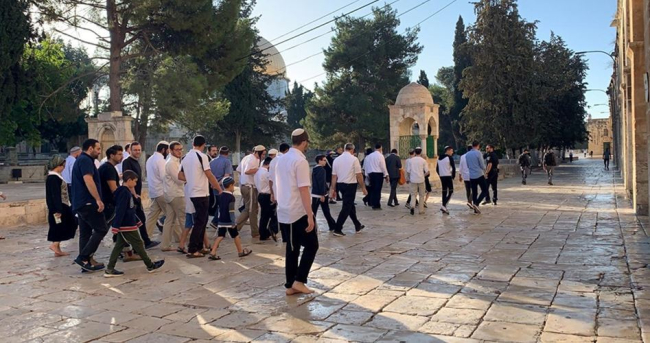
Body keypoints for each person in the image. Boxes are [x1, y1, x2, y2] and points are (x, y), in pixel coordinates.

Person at [275, 129, 318, 295]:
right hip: (296, 211)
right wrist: (310, 214)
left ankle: (290, 284)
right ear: (305, 142)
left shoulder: (281, 159)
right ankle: (298, 280)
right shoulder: (300, 162)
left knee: (292, 247)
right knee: (311, 245)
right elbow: (303, 189)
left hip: (284, 209)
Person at [104, 170, 165, 277]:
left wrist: (137, 221)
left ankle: (110, 269)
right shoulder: (123, 192)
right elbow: (121, 210)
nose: (136, 184)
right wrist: (116, 226)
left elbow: (130, 209)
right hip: (126, 225)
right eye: (135, 182)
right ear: (129, 180)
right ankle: (150, 265)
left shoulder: (126, 192)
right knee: (139, 244)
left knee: (119, 246)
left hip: (128, 223)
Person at [179, 135, 223, 258]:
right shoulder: (202, 156)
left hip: (192, 192)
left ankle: (199, 247)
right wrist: (219, 189)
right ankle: (192, 249)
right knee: (199, 222)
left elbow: (180, 175)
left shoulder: (185, 157)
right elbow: (209, 174)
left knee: (202, 221)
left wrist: (192, 180)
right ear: (203, 145)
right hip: (201, 193)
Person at [71, 139, 109, 272]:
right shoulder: (86, 160)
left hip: (80, 202)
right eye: (98, 149)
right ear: (90, 148)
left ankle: (86, 263)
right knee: (101, 229)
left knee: (85, 233)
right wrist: (98, 199)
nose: (99, 152)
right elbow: (88, 180)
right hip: (88, 202)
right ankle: (83, 257)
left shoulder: (82, 160)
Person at [121, 142, 158, 249]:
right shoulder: (127, 162)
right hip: (132, 196)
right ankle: (143, 242)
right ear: (130, 150)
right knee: (138, 220)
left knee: (140, 219)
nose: (137, 152)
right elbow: (128, 180)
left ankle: (145, 242)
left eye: (139, 150)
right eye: (135, 150)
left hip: (136, 195)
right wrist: (134, 195)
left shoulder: (136, 162)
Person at [208, 176, 253, 261]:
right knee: (236, 235)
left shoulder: (220, 195)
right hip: (229, 220)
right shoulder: (231, 197)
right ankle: (240, 251)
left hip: (221, 220)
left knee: (220, 236)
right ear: (231, 185)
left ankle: (213, 251)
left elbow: (219, 209)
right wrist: (233, 222)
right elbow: (231, 210)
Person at [330, 143, 368, 236]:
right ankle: (338, 228)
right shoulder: (354, 159)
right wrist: (363, 187)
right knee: (346, 207)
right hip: (350, 185)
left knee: (350, 205)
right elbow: (359, 175)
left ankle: (357, 225)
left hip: (340, 185)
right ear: (352, 150)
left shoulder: (337, 160)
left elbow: (334, 176)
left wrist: (333, 188)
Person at [46, 155, 76, 257]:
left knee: (59, 226)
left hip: (62, 205)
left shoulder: (55, 177)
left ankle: (57, 248)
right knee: (64, 225)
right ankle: (55, 244)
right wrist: (58, 209)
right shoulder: (53, 178)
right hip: (60, 206)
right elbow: (55, 195)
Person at [236, 145, 266, 238]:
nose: (264, 156)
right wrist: (258, 170)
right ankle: (253, 231)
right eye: (263, 154)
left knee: (251, 209)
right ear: (258, 152)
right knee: (251, 210)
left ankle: (237, 228)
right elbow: (247, 171)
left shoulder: (246, 158)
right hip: (250, 187)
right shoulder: (252, 159)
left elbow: (238, 170)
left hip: (245, 186)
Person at [161, 141, 185, 252]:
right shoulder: (171, 163)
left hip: (171, 194)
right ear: (171, 150)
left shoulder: (173, 161)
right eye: (177, 149)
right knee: (183, 220)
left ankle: (165, 245)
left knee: (169, 221)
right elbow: (179, 180)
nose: (179, 151)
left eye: (181, 149)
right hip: (176, 194)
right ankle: (188, 244)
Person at [145, 141, 169, 237]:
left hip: (153, 191)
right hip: (161, 192)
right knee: (171, 215)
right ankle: (179, 237)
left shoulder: (150, 159)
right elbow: (164, 177)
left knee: (152, 216)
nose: (168, 152)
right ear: (163, 150)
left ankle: (145, 237)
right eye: (167, 150)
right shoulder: (161, 161)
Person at [268, 143, 290, 242]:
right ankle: (278, 230)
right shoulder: (287, 159)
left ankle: (277, 230)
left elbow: (270, 179)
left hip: (277, 191)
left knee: (281, 212)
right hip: (286, 191)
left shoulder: (273, 161)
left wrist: (272, 193)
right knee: (287, 214)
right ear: (287, 150)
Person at [209, 146, 234, 230]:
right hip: (223, 187)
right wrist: (217, 184)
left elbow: (208, 175)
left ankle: (217, 221)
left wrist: (213, 184)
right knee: (223, 205)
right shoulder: (227, 162)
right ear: (228, 153)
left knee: (219, 204)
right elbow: (226, 176)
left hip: (214, 187)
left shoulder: (212, 161)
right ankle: (216, 221)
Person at [312, 155, 337, 231]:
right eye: (324, 160)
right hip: (320, 194)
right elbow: (321, 182)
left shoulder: (315, 169)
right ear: (319, 161)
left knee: (317, 211)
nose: (325, 162)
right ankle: (331, 225)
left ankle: (332, 224)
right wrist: (322, 194)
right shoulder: (321, 170)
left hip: (315, 193)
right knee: (324, 211)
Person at [255, 157, 278, 241]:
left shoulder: (257, 172)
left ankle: (263, 234)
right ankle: (271, 229)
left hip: (261, 195)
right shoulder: (266, 173)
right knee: (274, 215)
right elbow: (271, 183)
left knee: (264, 216)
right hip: (267, 196)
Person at [363, 144, 389, 210]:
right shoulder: (380, 156)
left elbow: (366, 166)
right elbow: (383, 166)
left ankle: (372, 202)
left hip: (371, 174)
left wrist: (367, 175)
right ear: (380, 148)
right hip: (378, 174)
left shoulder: (369, 156)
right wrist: (386, 175)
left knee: (372, 189)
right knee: (377, 190)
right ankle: (376, 205)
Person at [466, 141, 488, 214]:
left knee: (474, 192)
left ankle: (475, 208)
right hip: (479, 174)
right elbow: (482, 164)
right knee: (485, 190)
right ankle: (477, 203)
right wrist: (485, 171)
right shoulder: (478, 153)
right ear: (478, 145)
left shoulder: (467, 154)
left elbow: (468, 165)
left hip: (472, 175)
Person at [406, 147, 428, 216]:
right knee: (421, 195)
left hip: (413, 179)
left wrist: (409, 178)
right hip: (421, 179)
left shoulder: (411, 161)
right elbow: (427, 172)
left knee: (413, 194)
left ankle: (412, 206)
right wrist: (423, 176)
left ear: (415, 152)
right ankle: (421, 210)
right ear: (420, 152)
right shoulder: (423, 161)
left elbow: (408, 171)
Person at [436, 146, 456, 215]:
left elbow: (437, 169)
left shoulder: (439, 158)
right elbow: (453, 167)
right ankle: (444, 205)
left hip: (442, 176)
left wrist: (440, 175)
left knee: (444, 191)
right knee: (451, 191)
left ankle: (443, 205)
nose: (452, 152)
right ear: (448, 150)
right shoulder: (449, 158)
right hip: (448, 176)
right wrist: (453, 176)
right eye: (451, 151)